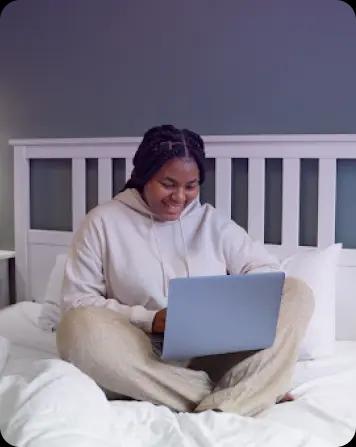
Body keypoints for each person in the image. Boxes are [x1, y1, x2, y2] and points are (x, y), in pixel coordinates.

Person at [56, 124, 314, 416]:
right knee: (75, 328)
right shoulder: (102, 222)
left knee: (296, 291)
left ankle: (229, 394)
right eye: (168, 184)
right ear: (143, 176)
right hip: (140, 354)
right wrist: (151, 319)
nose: (179, 196)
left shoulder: (212, 223)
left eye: (190, 186)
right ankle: (245, 393)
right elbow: (76, 301)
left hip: (216, 350)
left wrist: (224, 304)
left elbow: (266, 273)